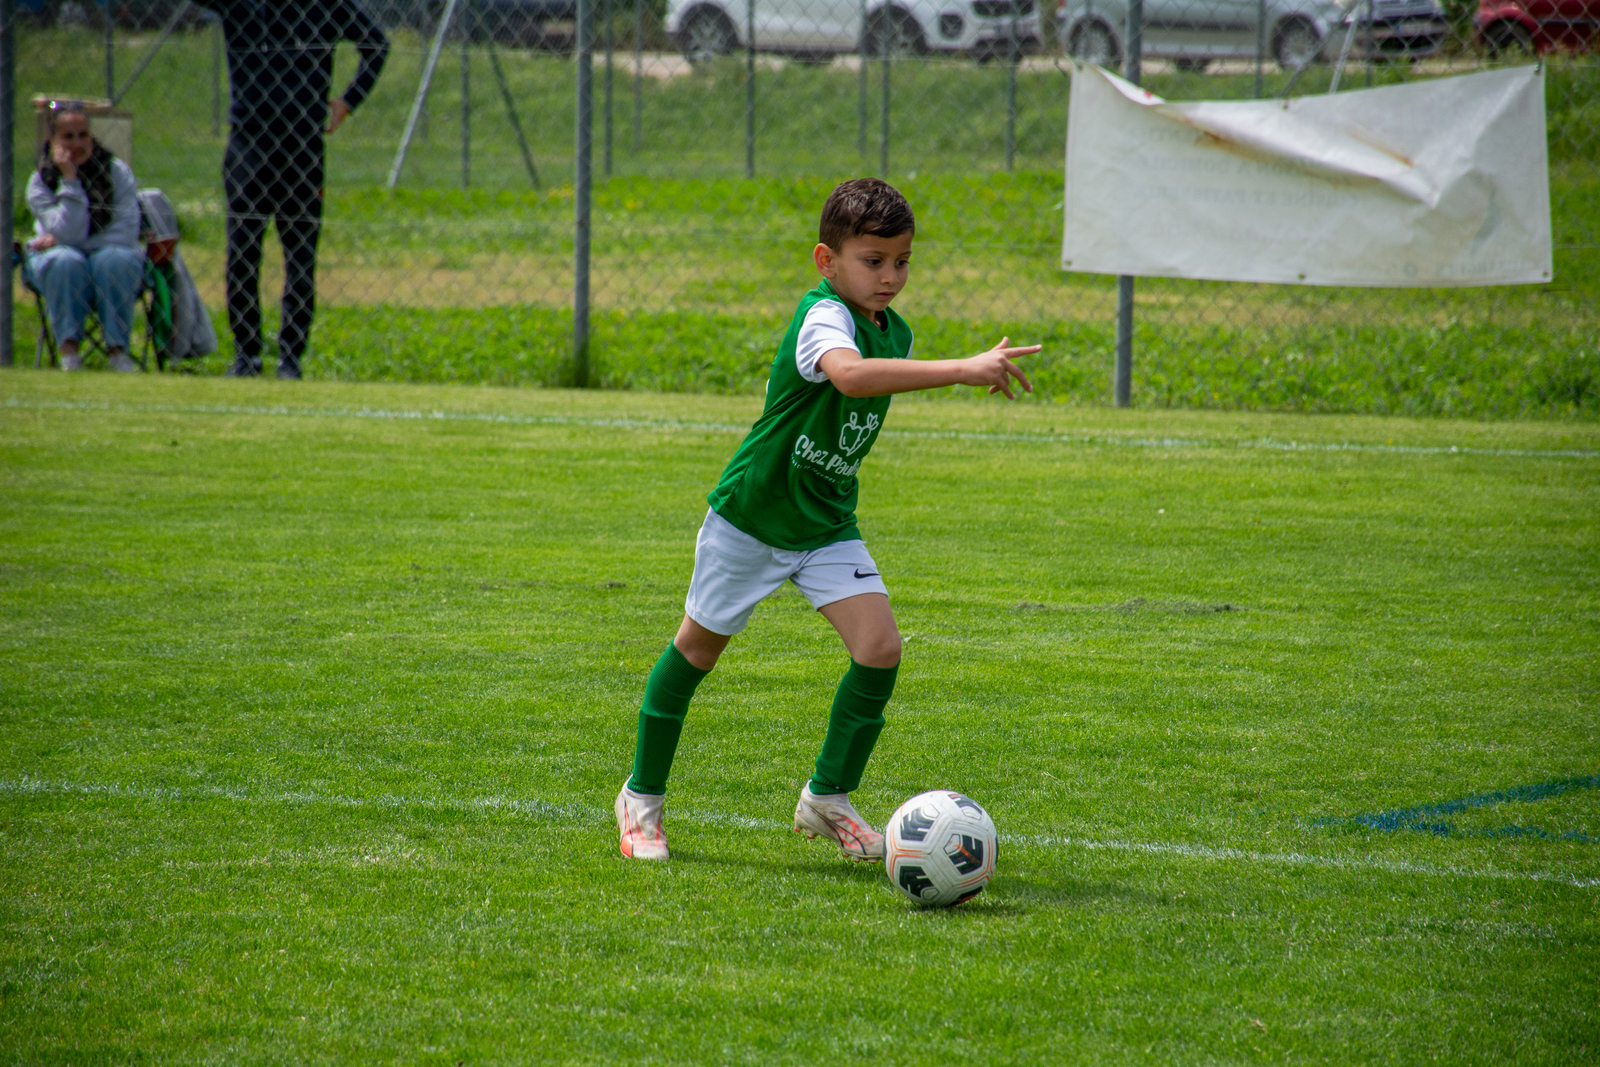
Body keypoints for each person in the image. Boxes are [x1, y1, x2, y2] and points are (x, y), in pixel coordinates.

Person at [614, 178, 1041, 862]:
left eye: (901, 261)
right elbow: (848, 376)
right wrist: (963, 368)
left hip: (826, 521)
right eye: (872, 261)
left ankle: (827, 798)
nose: (890, 277)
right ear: (827, 260)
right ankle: (641, 799)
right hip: (753, 516)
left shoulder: (895, 331)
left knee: (880, 648)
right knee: (697, 651)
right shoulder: (822, 317)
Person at [194, 0, 389, 379]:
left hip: (302, 145)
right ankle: (247, 354)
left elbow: (376, 45)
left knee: (300, 255)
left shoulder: (325, 5)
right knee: (242, 251)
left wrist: (348, 101)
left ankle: (290, 358)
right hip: (250, 141)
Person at [24, 102, 146, 373]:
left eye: (83, 135)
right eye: (68, 136)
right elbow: (70, 232)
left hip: (109, 258)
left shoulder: (117, 172)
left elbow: (125, 233)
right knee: (66, 261)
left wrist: (65, 242)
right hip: (59, 263)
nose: (77, 144)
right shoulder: (40, 182)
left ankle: (118, 353)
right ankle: (69, 356)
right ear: (52, 141)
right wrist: (70, 180)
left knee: (113, 260)